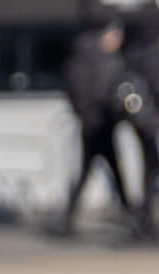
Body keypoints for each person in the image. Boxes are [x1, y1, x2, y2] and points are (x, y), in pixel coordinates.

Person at [58, 21, 142, 238]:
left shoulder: (96, 60)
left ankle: (69, 219)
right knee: (103, 174)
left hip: (102, 125)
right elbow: (85, 93)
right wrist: (91, 113)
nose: (118, 42)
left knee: (101, 174)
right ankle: (132, 220)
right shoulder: (100, 62)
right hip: (96, 126)